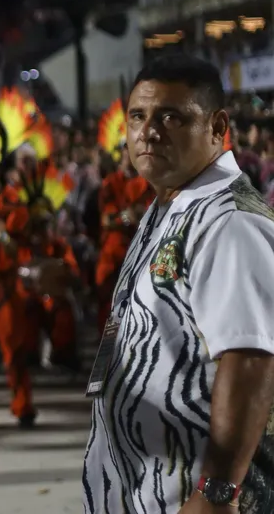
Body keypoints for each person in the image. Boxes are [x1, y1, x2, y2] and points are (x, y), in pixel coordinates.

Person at [82, 54, 274, 514]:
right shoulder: (171, 204)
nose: (149, 130)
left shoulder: (231, 221)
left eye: (172, 116)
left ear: (216, 126)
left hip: (195, 498)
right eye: (138, 116)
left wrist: (217, 493)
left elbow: (250, 359)